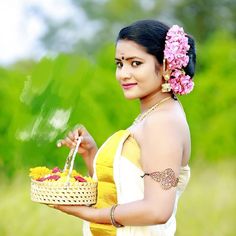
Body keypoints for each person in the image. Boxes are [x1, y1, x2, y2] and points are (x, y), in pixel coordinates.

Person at [53, 19, 196, 236]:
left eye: (135, 63)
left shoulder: (163, 122)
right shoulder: (154, 115)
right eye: (119, 64)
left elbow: (157, 210)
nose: (123, 74)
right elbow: (125, 189)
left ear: (166, 64)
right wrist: (92, 153)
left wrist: (85, 213)